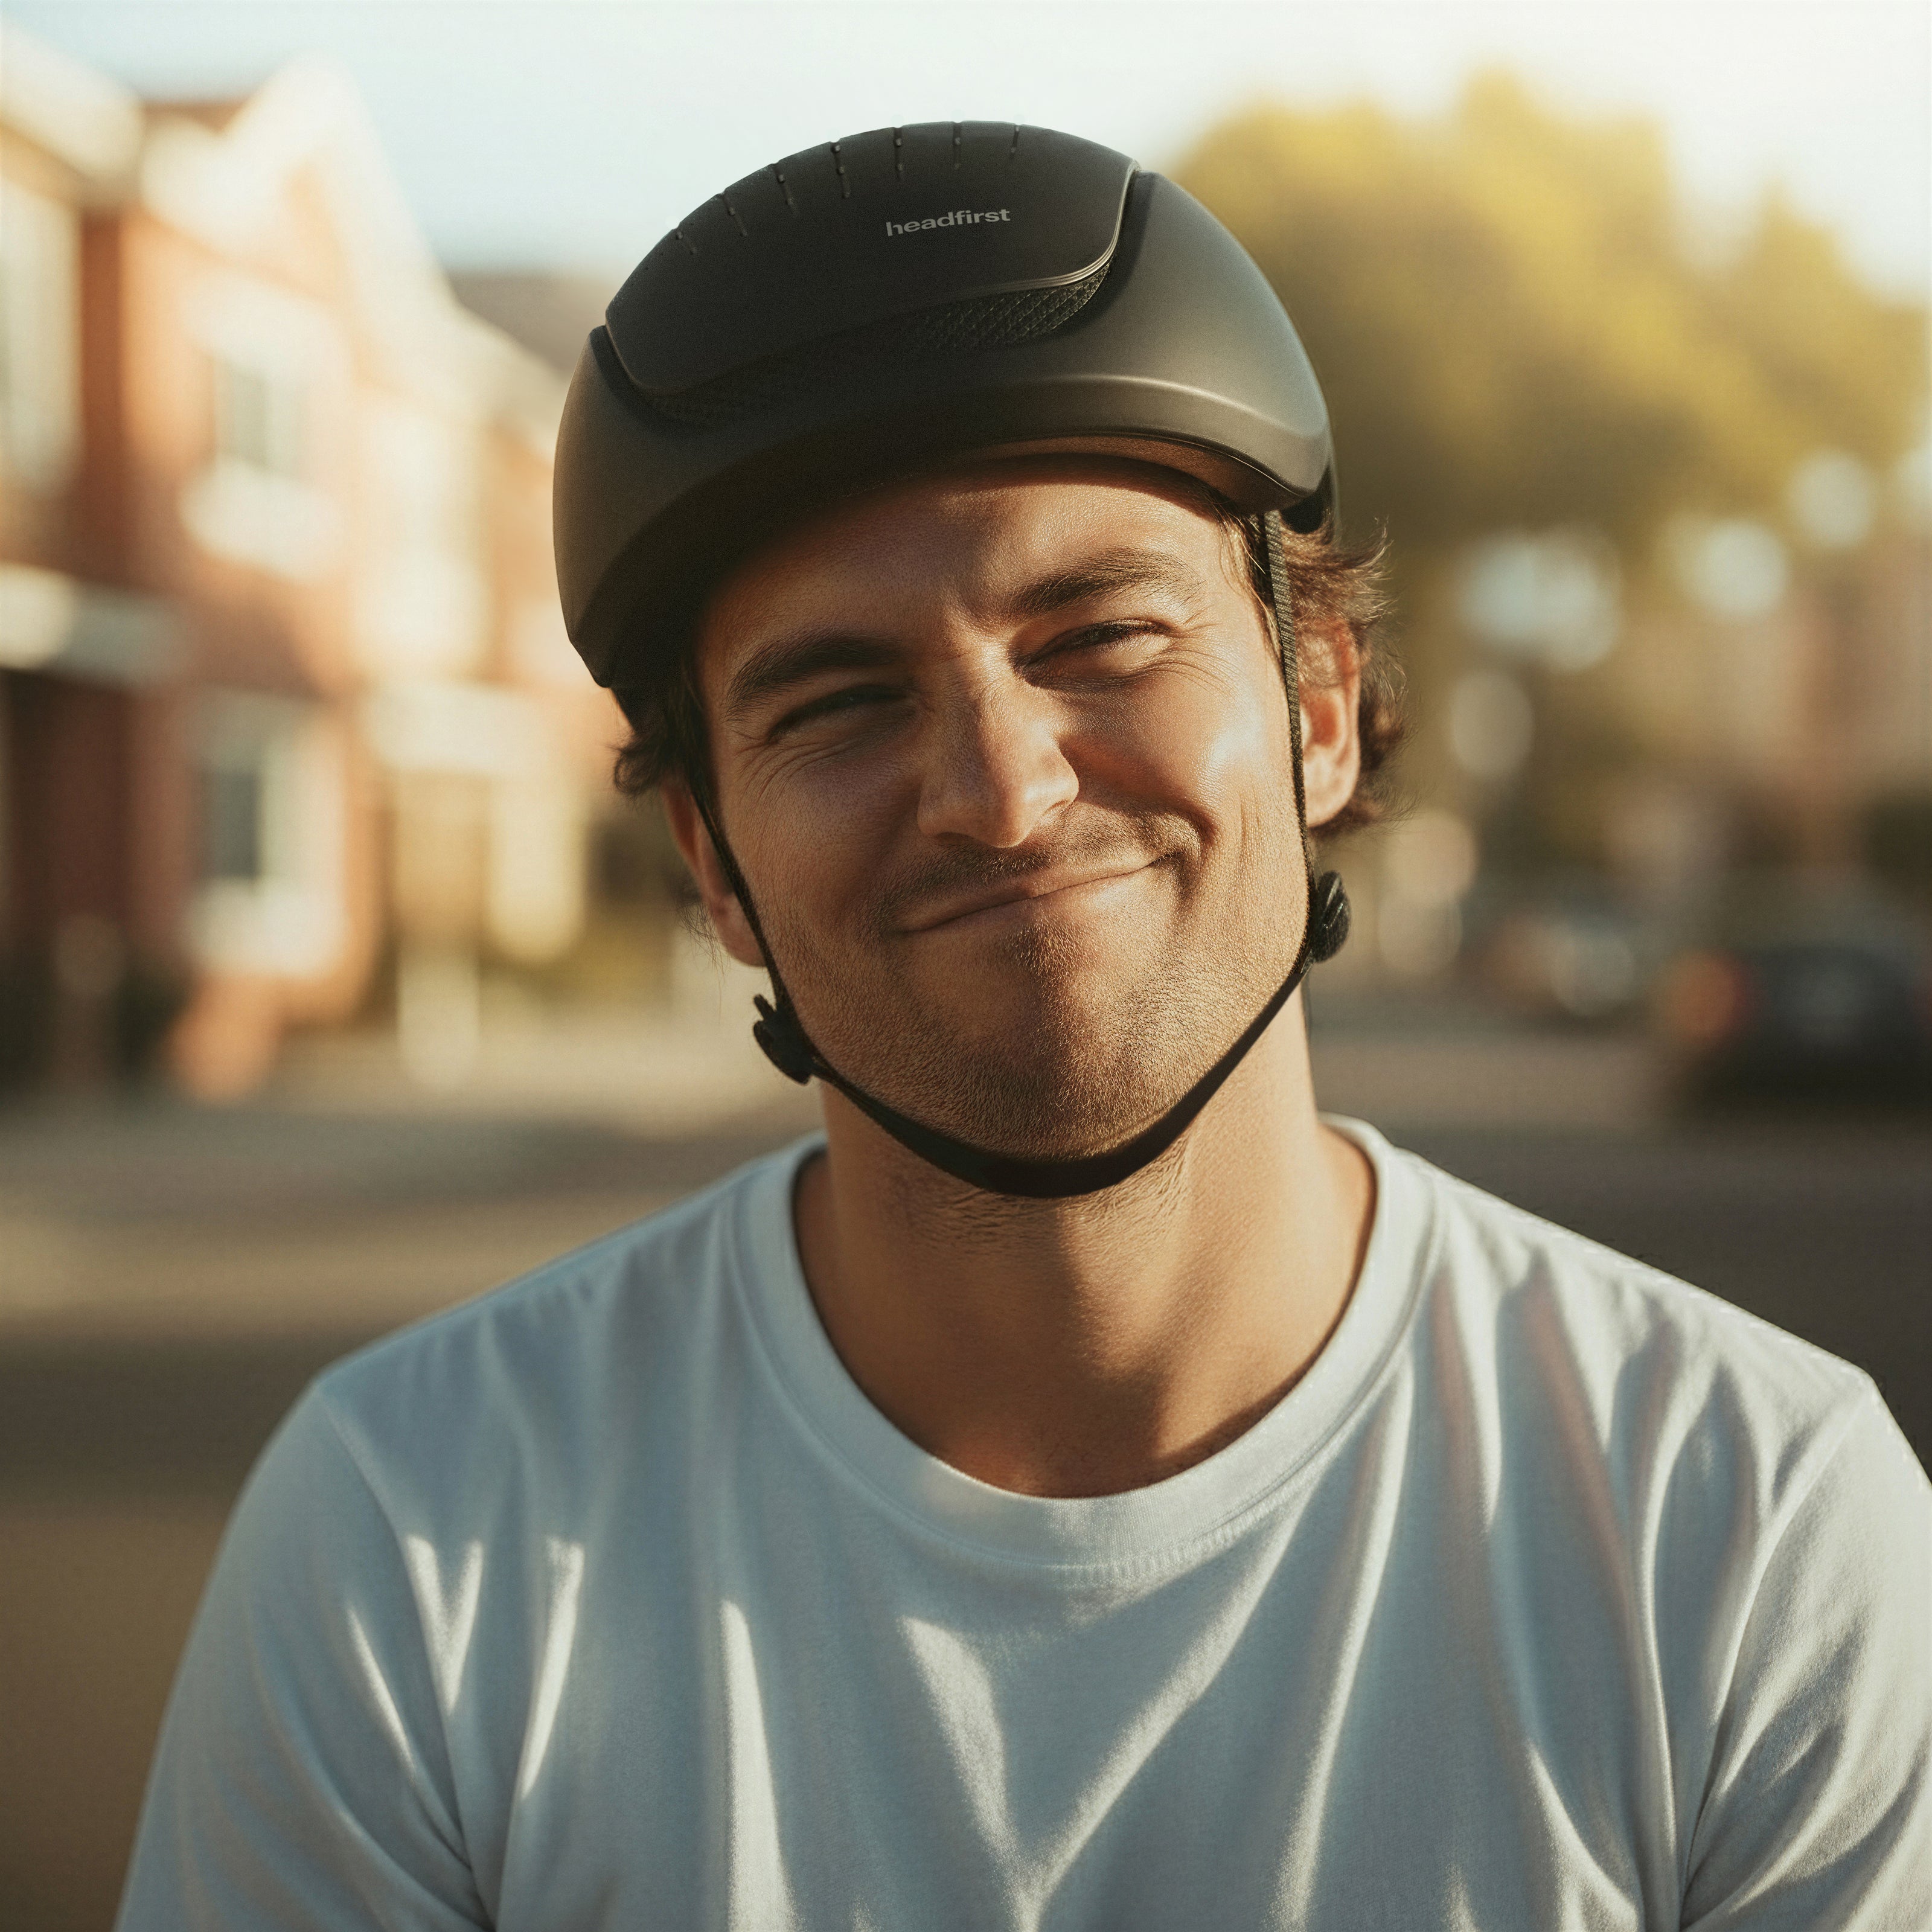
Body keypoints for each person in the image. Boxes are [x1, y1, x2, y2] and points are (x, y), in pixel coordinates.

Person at [120, 123, 1928, 1930]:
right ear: (714, 861)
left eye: (1100, 636)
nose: (999, 789)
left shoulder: (1750, 1525)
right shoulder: (411, 1537)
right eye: (838, 702)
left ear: (1318, 709)